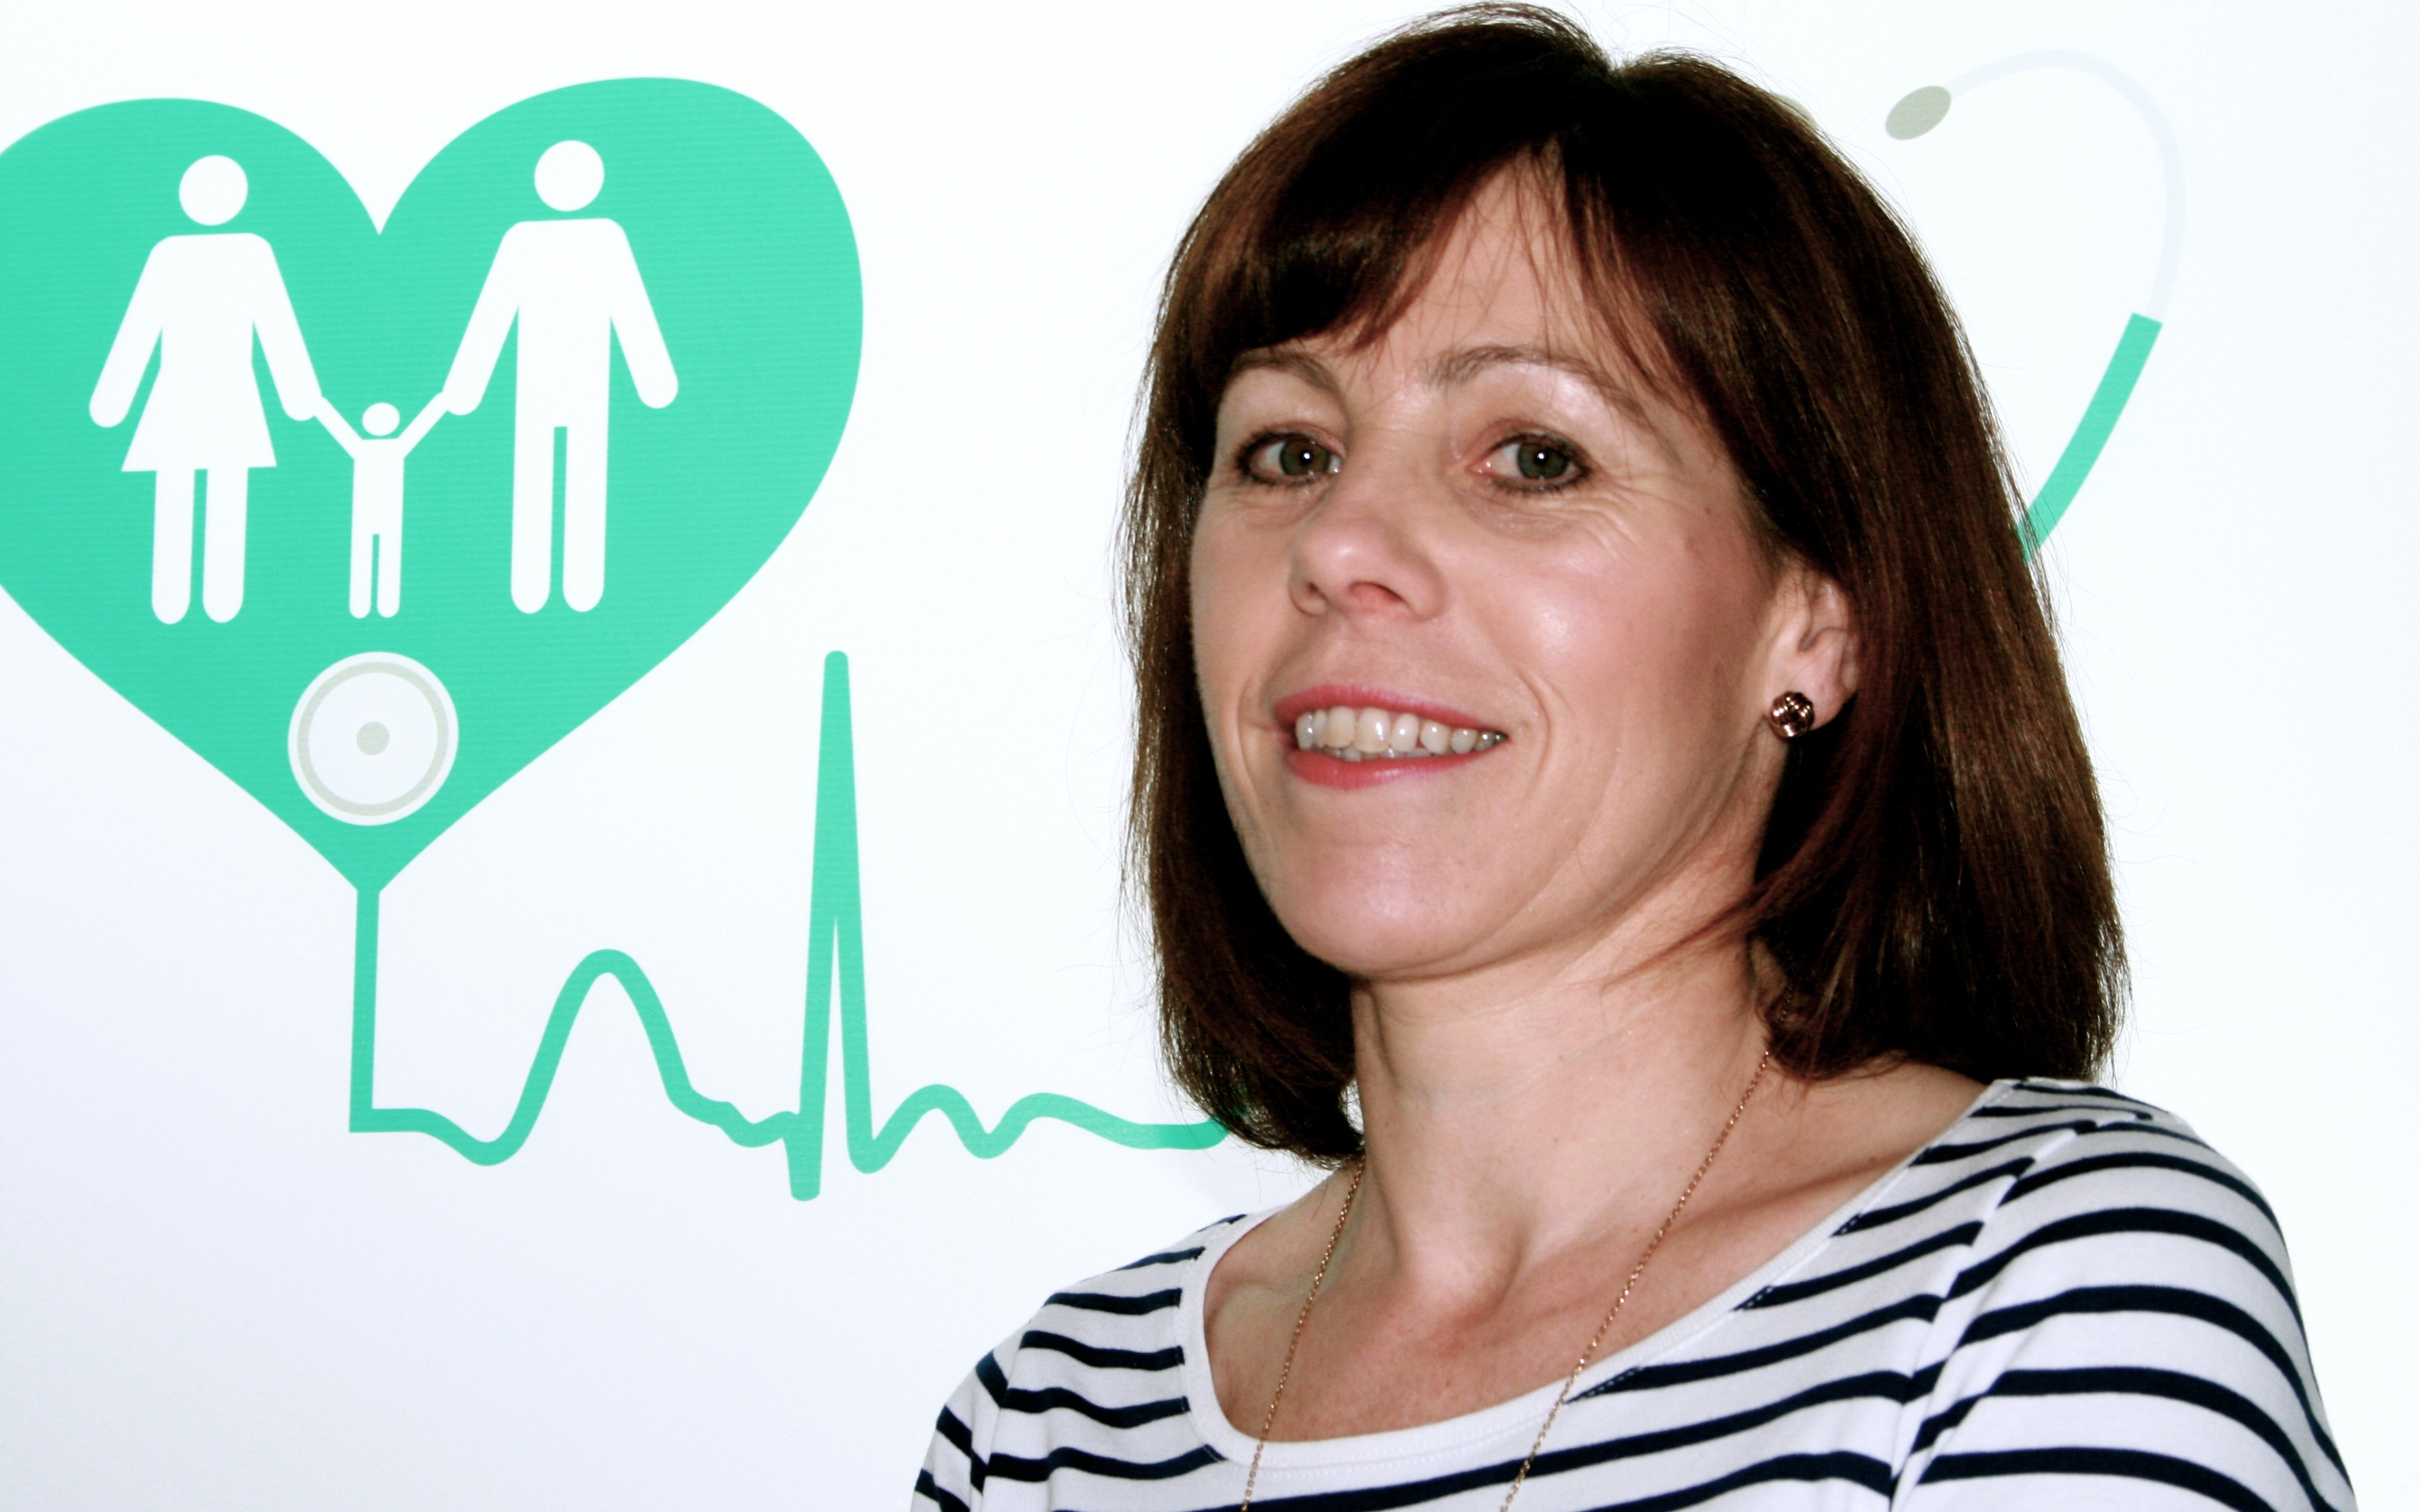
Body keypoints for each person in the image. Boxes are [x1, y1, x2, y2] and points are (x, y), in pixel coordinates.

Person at [913, 9, 2351, 1511]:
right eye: (1289, 449)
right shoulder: (1051, 1424)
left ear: (1818, 621)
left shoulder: (2044, 1295)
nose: (1337, 544)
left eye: (1534, 457)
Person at [441, 139, 677, 615]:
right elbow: (494, 310)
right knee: (540, 472)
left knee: (578, 472)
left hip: (584, 380)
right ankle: (533, 585)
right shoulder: (528, 241)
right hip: (541, 382)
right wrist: (465, 385)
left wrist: (654, 377)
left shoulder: (601, 239)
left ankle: (578, 585)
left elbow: (630, 307)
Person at [89, 154, 323, 625]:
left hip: (215, 395)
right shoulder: (193, 254)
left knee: (211, 490)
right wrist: (299, 398)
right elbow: (141, 326)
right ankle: (187, 600)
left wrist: (113, 401)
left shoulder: (225, 254)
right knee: (200, 489)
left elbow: (275, 324)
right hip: (198, 395)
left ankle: (210, 601)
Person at [314, 396, 445, 618]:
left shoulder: (388, 448)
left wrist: (442, 402)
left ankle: (384, 606)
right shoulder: (371, 448)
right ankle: (364, 606)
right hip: (367, 511)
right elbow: (337, 427)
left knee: (385, 554)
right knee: (369, 553)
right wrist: (319, 405)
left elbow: (421, 425)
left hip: (388, 512)